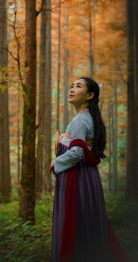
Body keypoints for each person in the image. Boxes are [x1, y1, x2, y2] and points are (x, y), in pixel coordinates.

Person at [50, 77, 130, 262]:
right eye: (71, 86)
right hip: (87, 177)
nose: (72, 89)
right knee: (87, 222)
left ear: (90, 95)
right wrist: (64, 138)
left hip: (78, 178)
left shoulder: (80, 120)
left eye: (78, 86)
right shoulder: (87, 118)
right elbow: (82, 146)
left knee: (78, 224)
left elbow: (77, 152)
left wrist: (56, 162)